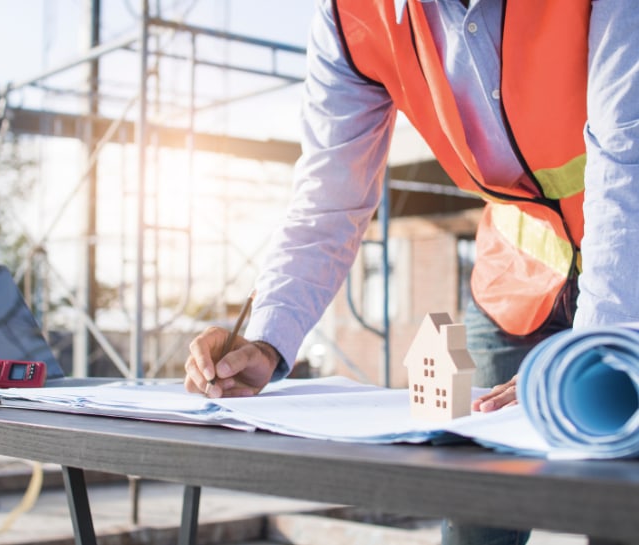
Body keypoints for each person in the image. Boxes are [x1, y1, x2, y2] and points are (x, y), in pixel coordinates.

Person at [185, 1, 639, 543]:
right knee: (476, 512)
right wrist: (262, 340)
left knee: (621, 501)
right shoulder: (350, 17)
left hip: (626, 272)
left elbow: (626, 160)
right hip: (517, 283)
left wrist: (588, 358)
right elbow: (328, 201)